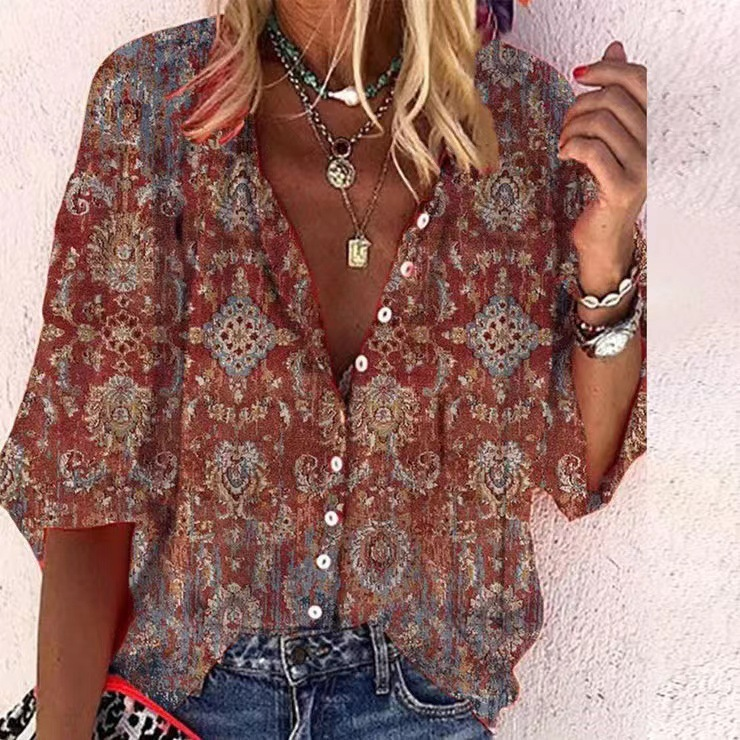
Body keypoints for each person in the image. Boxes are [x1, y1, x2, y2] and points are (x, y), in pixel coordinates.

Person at [0, 0, 647, 737]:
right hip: (185, 702)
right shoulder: (153, 103)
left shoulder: (533, 123)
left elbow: (579, 466)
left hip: (421, 710)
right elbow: (87, 483)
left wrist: (607, 246)